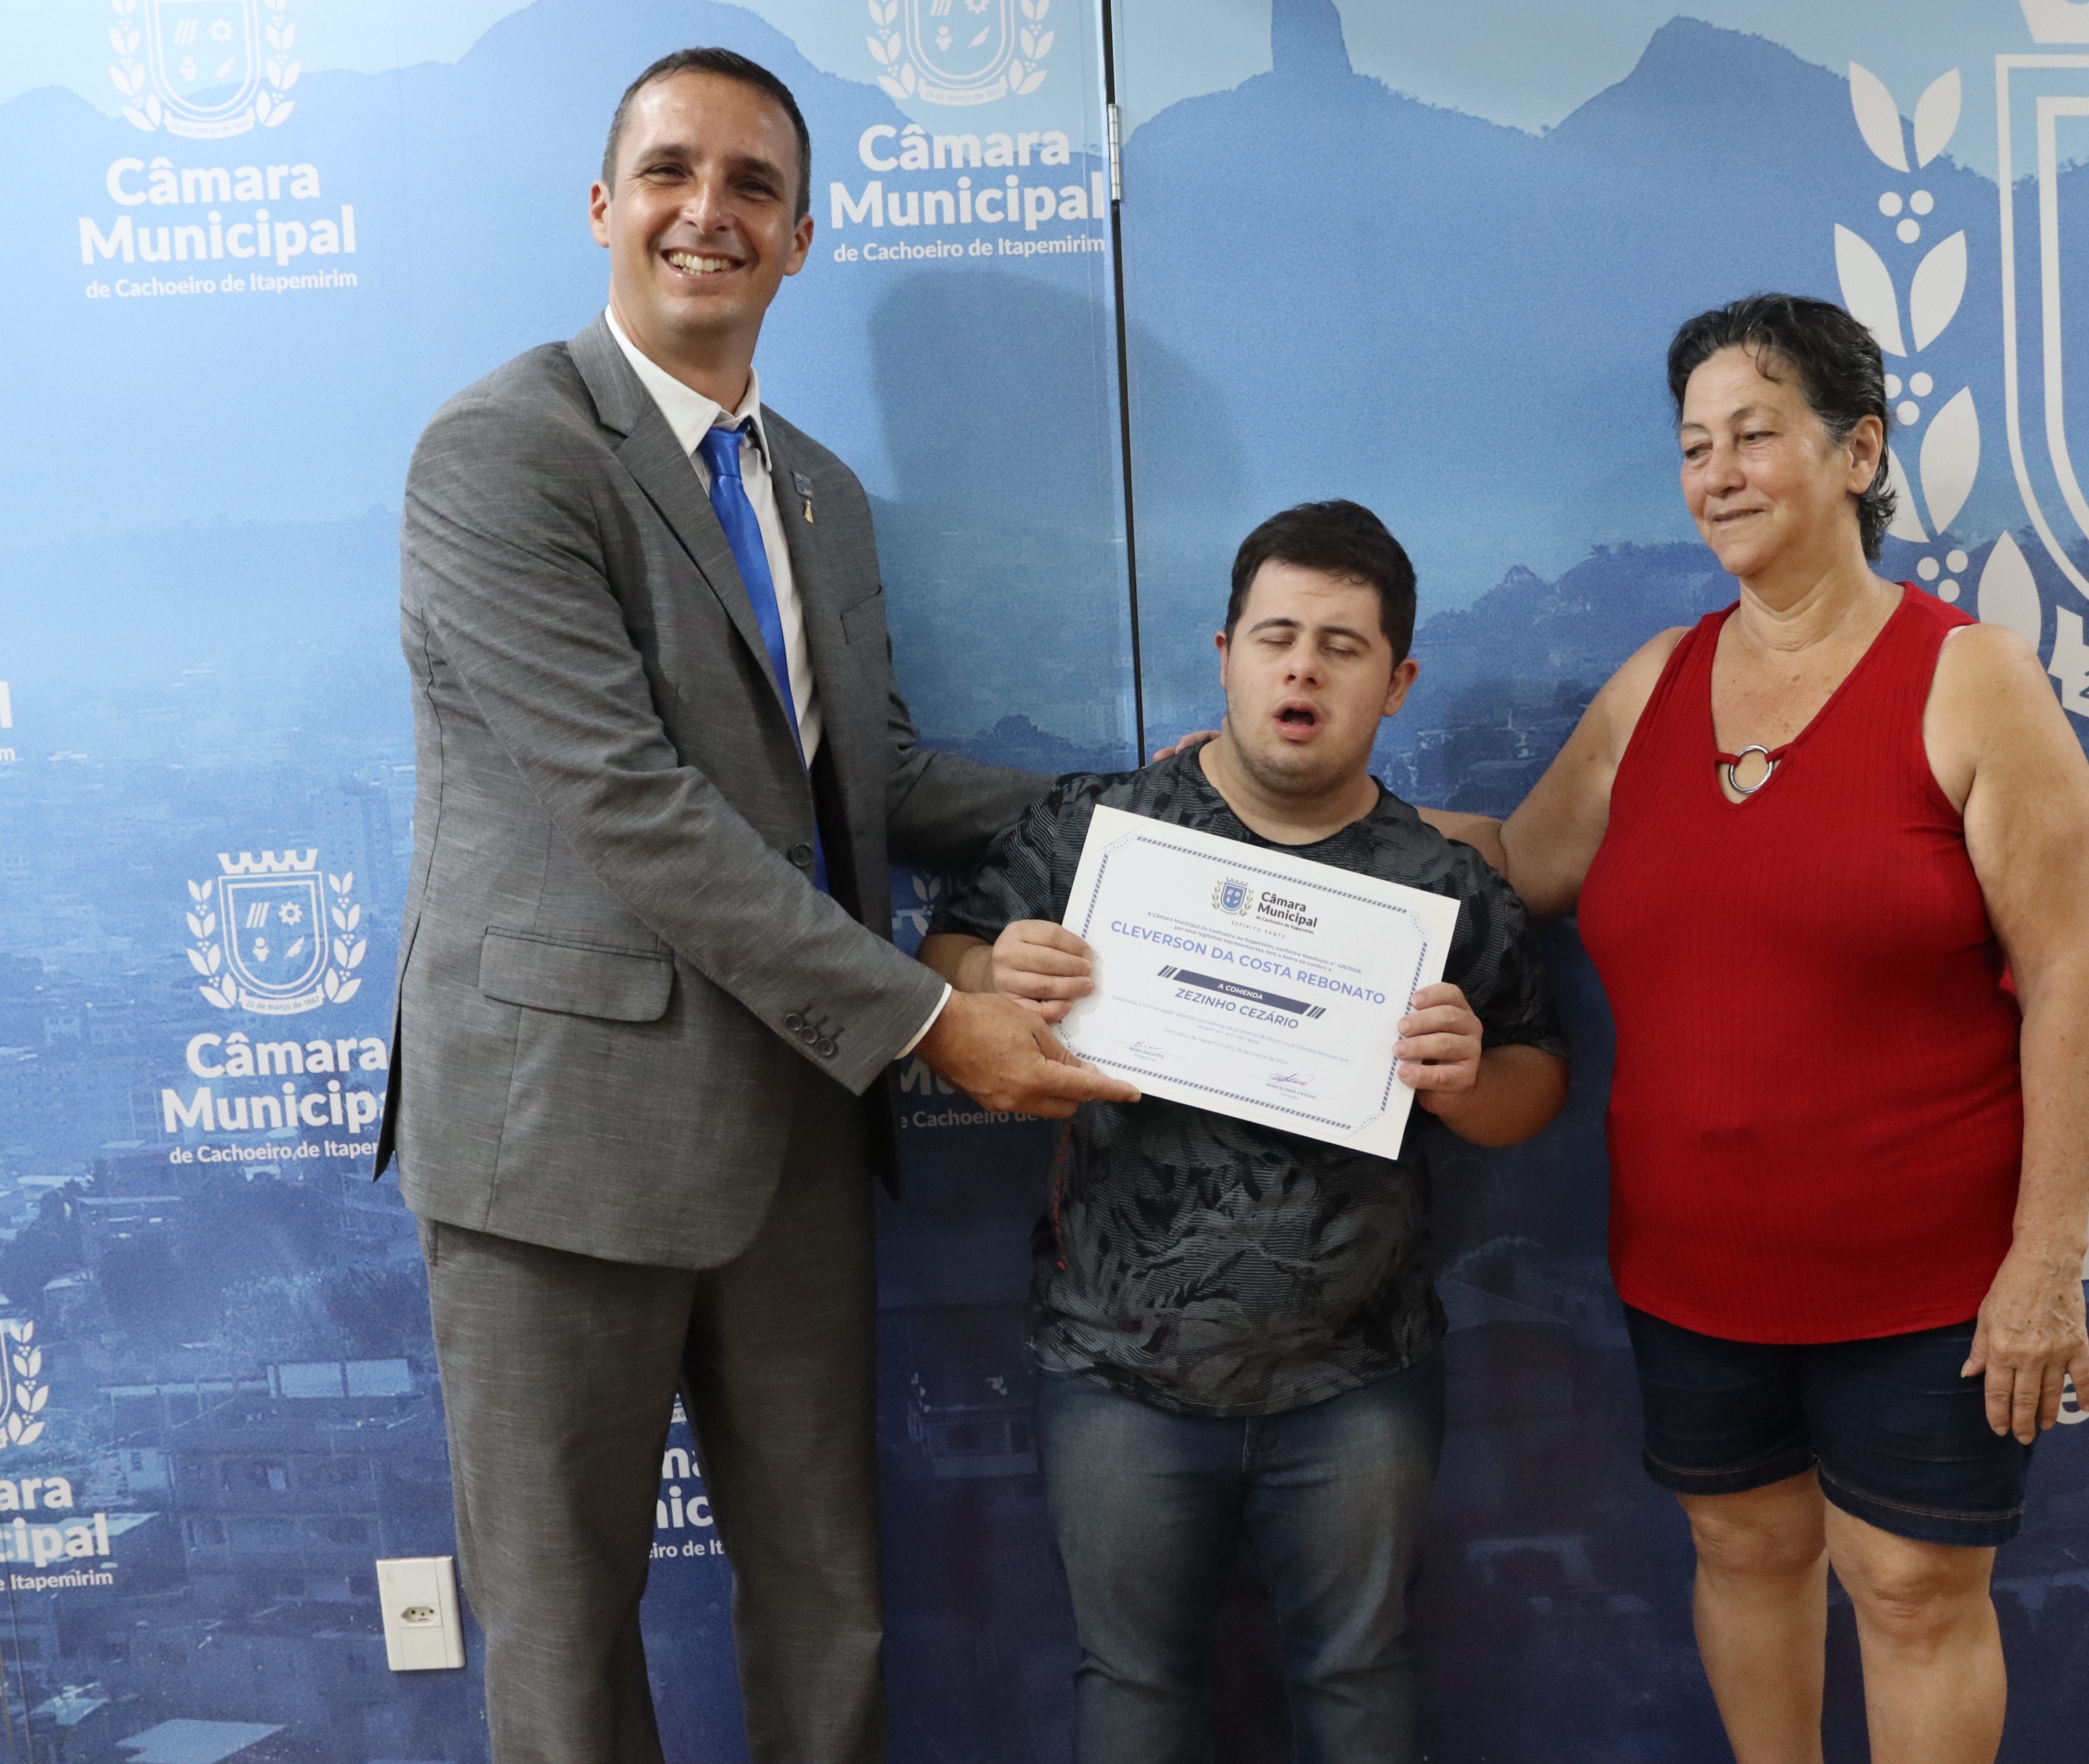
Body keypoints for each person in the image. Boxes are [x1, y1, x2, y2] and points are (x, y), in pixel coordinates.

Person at [380, 46, 1133, 1763]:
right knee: (564, 1642)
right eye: (670, 172)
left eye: (752, 186)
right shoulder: (499, 453)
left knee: (827, 1605)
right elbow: (632, 811)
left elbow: (872, 776)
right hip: (558, 1145)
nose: (706, 211)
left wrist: (1164, 811)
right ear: (603, 206)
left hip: (792, 1116)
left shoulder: (819, 492)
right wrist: (934, 1021)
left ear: (801, 237)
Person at [1461, 295, 2089, 1763]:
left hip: (1931, 1272)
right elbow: (1515, 861)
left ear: (1858, 451)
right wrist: (1290, 816)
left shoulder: (1973, 679)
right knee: (1745, 1552)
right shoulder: (1655, 682)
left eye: (1754, 435)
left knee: (1911, 1587)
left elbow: (2071, 977)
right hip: (1692, 1260)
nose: (1718, 474)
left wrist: (2045, 1263)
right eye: (1695, 446)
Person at [916, 500, 1569, 1764]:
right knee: (1132, 1685)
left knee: (1359, 1678)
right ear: (1225, 655)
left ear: (1399, 681)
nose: (1302, 669)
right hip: (1116, 1368)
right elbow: (943, 962)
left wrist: (1467, 1080)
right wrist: (993, 969)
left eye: (1342, 645)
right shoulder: (1098, 831)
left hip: (1361, 1378)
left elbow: (1535, 1076)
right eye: (1277, 637)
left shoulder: (1442, 883)